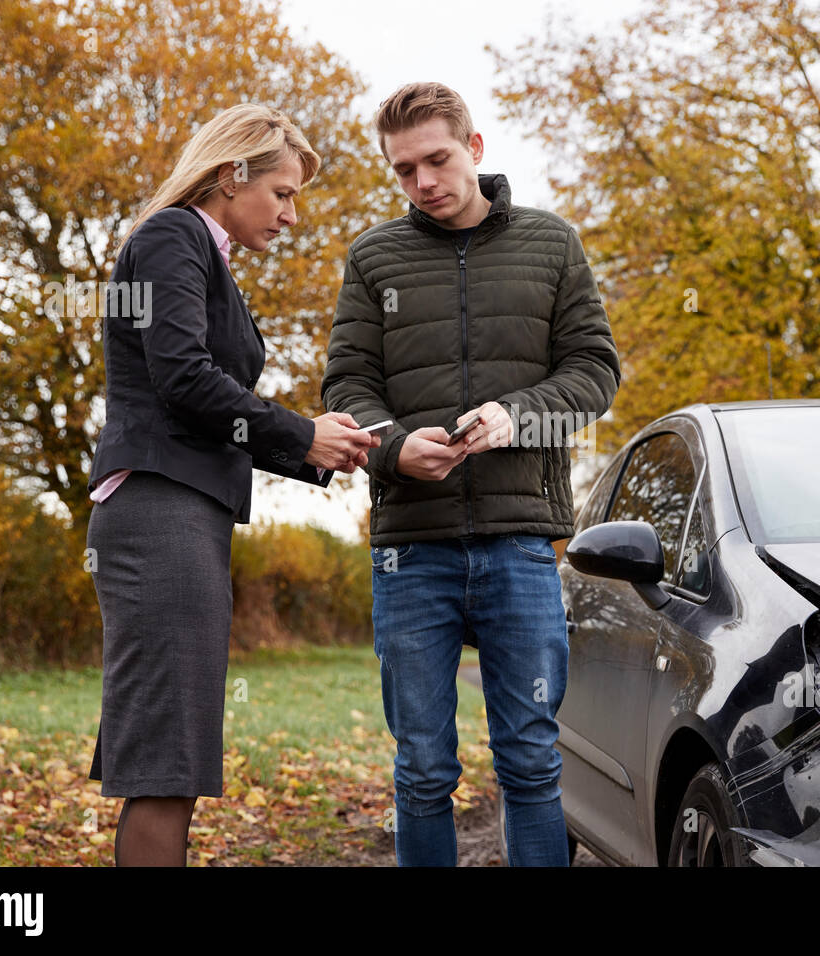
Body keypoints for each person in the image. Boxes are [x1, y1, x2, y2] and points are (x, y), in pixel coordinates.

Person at [322, 82, 621, 866]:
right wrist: (392, 448)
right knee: (422, 771)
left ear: (475, 149)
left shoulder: (551, 245)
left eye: (437, 159)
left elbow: (594, 374)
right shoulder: (372, 257)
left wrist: (517, 415)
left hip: (520, 545)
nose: (423, 182)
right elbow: (348, 386)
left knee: (530, 763)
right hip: (409, 549)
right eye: (403, 169)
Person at [86, 103, 380, 866]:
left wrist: (321, 450)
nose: (291, 214)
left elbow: (211, 406)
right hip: (159, 512)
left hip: (183, 511)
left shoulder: (200, 255)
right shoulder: (172, 236)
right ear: (229, 177)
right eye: (281, 193)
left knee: (172, 756)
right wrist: (300, 433)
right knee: (165, 760)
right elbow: (183, 379)